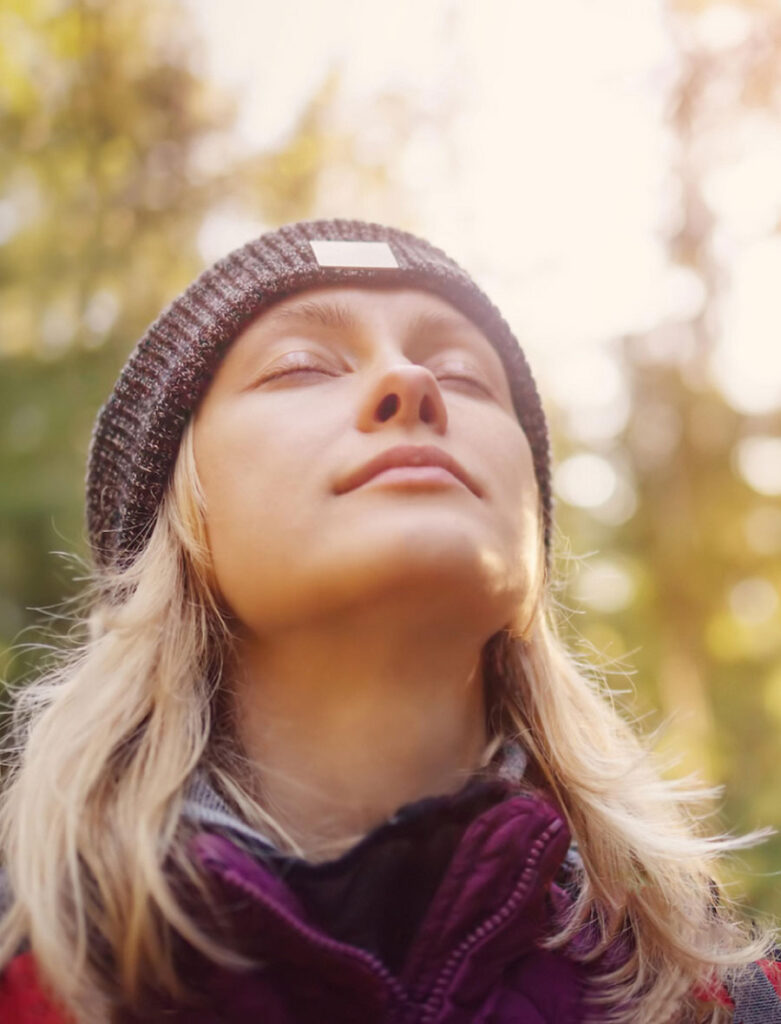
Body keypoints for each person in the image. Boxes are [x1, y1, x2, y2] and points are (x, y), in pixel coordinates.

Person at [0, 219, 777, 1023]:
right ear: (174, 520)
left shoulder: (730, 1003)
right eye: (301, 366)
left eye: (466, 376)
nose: (410, 383)